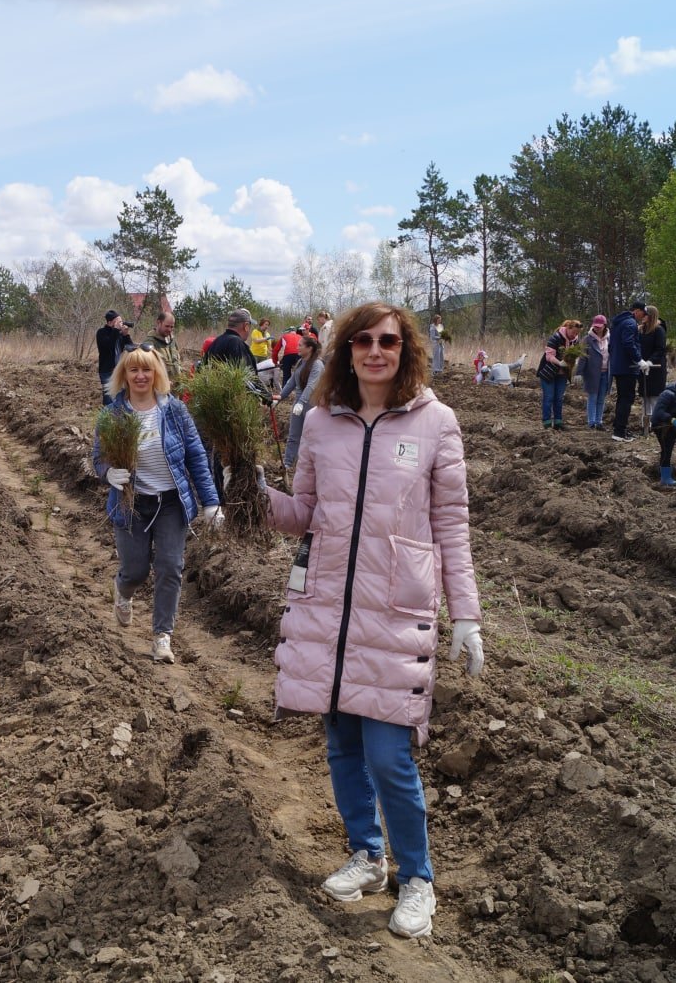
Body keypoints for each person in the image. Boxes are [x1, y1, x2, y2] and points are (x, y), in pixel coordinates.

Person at [263, 301, 484, 940]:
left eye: (387, 340)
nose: (375, 351)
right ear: (346, 350)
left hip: (395, 606)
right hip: (330, 603)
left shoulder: (437, 421)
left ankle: (418, 878)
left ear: (405, 347)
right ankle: (368, 854)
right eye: (362, 340)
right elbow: (304, 510)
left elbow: (452, 525)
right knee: (343, 744)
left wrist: (465, 613)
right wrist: (251, 495)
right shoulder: (321, 422)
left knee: (391, 756)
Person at [93, 346, 222, 664]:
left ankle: (162, 637)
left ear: (156, 374)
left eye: (147, 370)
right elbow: (97, 458)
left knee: (170, 568)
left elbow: (196, 457)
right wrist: (108, 472)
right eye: (134, 370)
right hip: (131, 504)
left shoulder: (175, 411)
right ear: (124, 375)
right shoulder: (113, 415)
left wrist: (211, 502)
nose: (140, 376)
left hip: (171, 504)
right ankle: (123, 592)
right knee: (135, 569)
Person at [276, 335, 323, 470]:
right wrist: (280, 397)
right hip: (299, 404)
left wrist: (301, 402)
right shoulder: (300, 363)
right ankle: (288, 463)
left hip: (313, 404)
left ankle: (315, 465)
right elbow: (291, 382)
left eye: (300, 345)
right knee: (294, 435)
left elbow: (311, 385)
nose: (297, 347)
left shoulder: (317, 365)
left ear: (309, 348)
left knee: (313, 436)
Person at [609, 300, 651, 442]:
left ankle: (619, 428)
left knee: (622, 398)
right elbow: (628, 343)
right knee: (626, 399)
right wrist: (639, 360)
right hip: (627, 367)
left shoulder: (619, 322)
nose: (643, 317)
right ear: (637, 311)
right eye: (643, 313)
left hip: (619, 366)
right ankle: (620, 432)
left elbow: (612, 345)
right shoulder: (630, 323)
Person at [537, 319, 582, 430]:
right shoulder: (555, 338)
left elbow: (575, 355)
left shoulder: (575, 342)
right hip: (549, 372)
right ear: (568, 328)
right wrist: (559, 362)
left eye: (577, 333)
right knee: (549, 397)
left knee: (559, 398)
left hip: (562, 374)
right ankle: (547, 423)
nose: (574, 335)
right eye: (573, 333)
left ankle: (558, 423)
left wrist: (574, 362)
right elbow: (549, 356)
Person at [576, 315, 611, 429]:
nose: (597, 328)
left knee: (601, 398)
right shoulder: (587, 339)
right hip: (592, 373)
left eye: (599, 327)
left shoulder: (610, 339)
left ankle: (599, 421)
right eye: (595, 326)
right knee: (593, 397)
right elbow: (583, 357)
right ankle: (591, 422)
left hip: (606, 373)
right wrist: (579, 373)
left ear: (604, 326)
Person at [96, 310, 133, 405]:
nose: (121, 324)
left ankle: (120, 417)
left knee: (122, 396)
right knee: (109, 397)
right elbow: (109, 346)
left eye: (121, 321)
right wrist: (116, 330)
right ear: (109, 322)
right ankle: (108, 417)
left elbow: (130, 348)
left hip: (120, 370)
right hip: (107, 370)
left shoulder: (119, 334)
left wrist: (126, 335)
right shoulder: (101, 333)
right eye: (118, 321)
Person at [638, 305, 668, 414]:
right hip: (643, 368)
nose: (642, 316)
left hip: (656, 369)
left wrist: (650, 362)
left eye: (645, 314)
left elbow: (660, 349)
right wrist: (640, 361)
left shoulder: (659, 330)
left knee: (655, 398)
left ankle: (655, 425)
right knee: (645, 398)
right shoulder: (641, 330)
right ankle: (645, 425)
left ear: (650, 316)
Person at [143, 311, 182, 384]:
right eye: (167, 326)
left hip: (176, 390)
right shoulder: (149, 343)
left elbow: (178, 361)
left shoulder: (172, 341)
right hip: (160, 389)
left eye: (172, 327)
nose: (169, 330)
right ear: (158, 323)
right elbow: (146, 369)